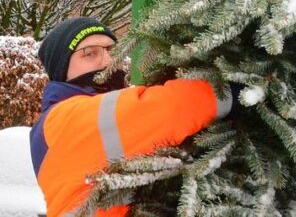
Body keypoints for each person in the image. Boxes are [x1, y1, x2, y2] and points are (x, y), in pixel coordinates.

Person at [29, 17, 236, 216]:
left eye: (112, 50)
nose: (108, 61)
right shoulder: (63, 119)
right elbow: (165, 109)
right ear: (61, 67)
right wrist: (226, 91)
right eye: (89, 53)